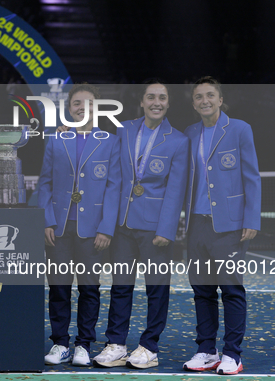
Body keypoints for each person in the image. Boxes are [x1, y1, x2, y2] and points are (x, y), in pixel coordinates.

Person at [92, 81, 189, 369]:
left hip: (154, 228)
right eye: (151, 97)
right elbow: (100, 150)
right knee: (121, 286)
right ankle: (117, 344)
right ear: (142, 101)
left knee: (156, 288)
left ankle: (149, 347)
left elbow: (176, 189)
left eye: (162, 97)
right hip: (123, 224)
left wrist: (166, 230)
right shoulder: (124, 130)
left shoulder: (178, 140)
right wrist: (65, 133)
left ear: (168, 103)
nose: (156, 102)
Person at [38, 84, 121, 367]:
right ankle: (60, 343)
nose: (82, 107)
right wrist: (47, 219)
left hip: (92, 230)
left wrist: (107, 227)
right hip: (58, 229)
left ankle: (83, 344)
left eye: (88, 102)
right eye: (77, 103)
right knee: (58, 288)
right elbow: (45, 183)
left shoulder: (110, 141)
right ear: (69, 108)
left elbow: (114, 188)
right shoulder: (56, 139)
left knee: (89, 289)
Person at [182, 76, 260, 375]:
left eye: (210, 95)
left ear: (220, 99)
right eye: (199, 96)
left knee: (231, 289)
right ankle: (206, 350)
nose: (205, 100)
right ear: (193, 103)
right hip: (196, 226)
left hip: (229, 227)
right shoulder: (189, 133)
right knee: (202, 291)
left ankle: (232, 354)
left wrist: (251, 218)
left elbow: (252, 176)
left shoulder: (239, 129)